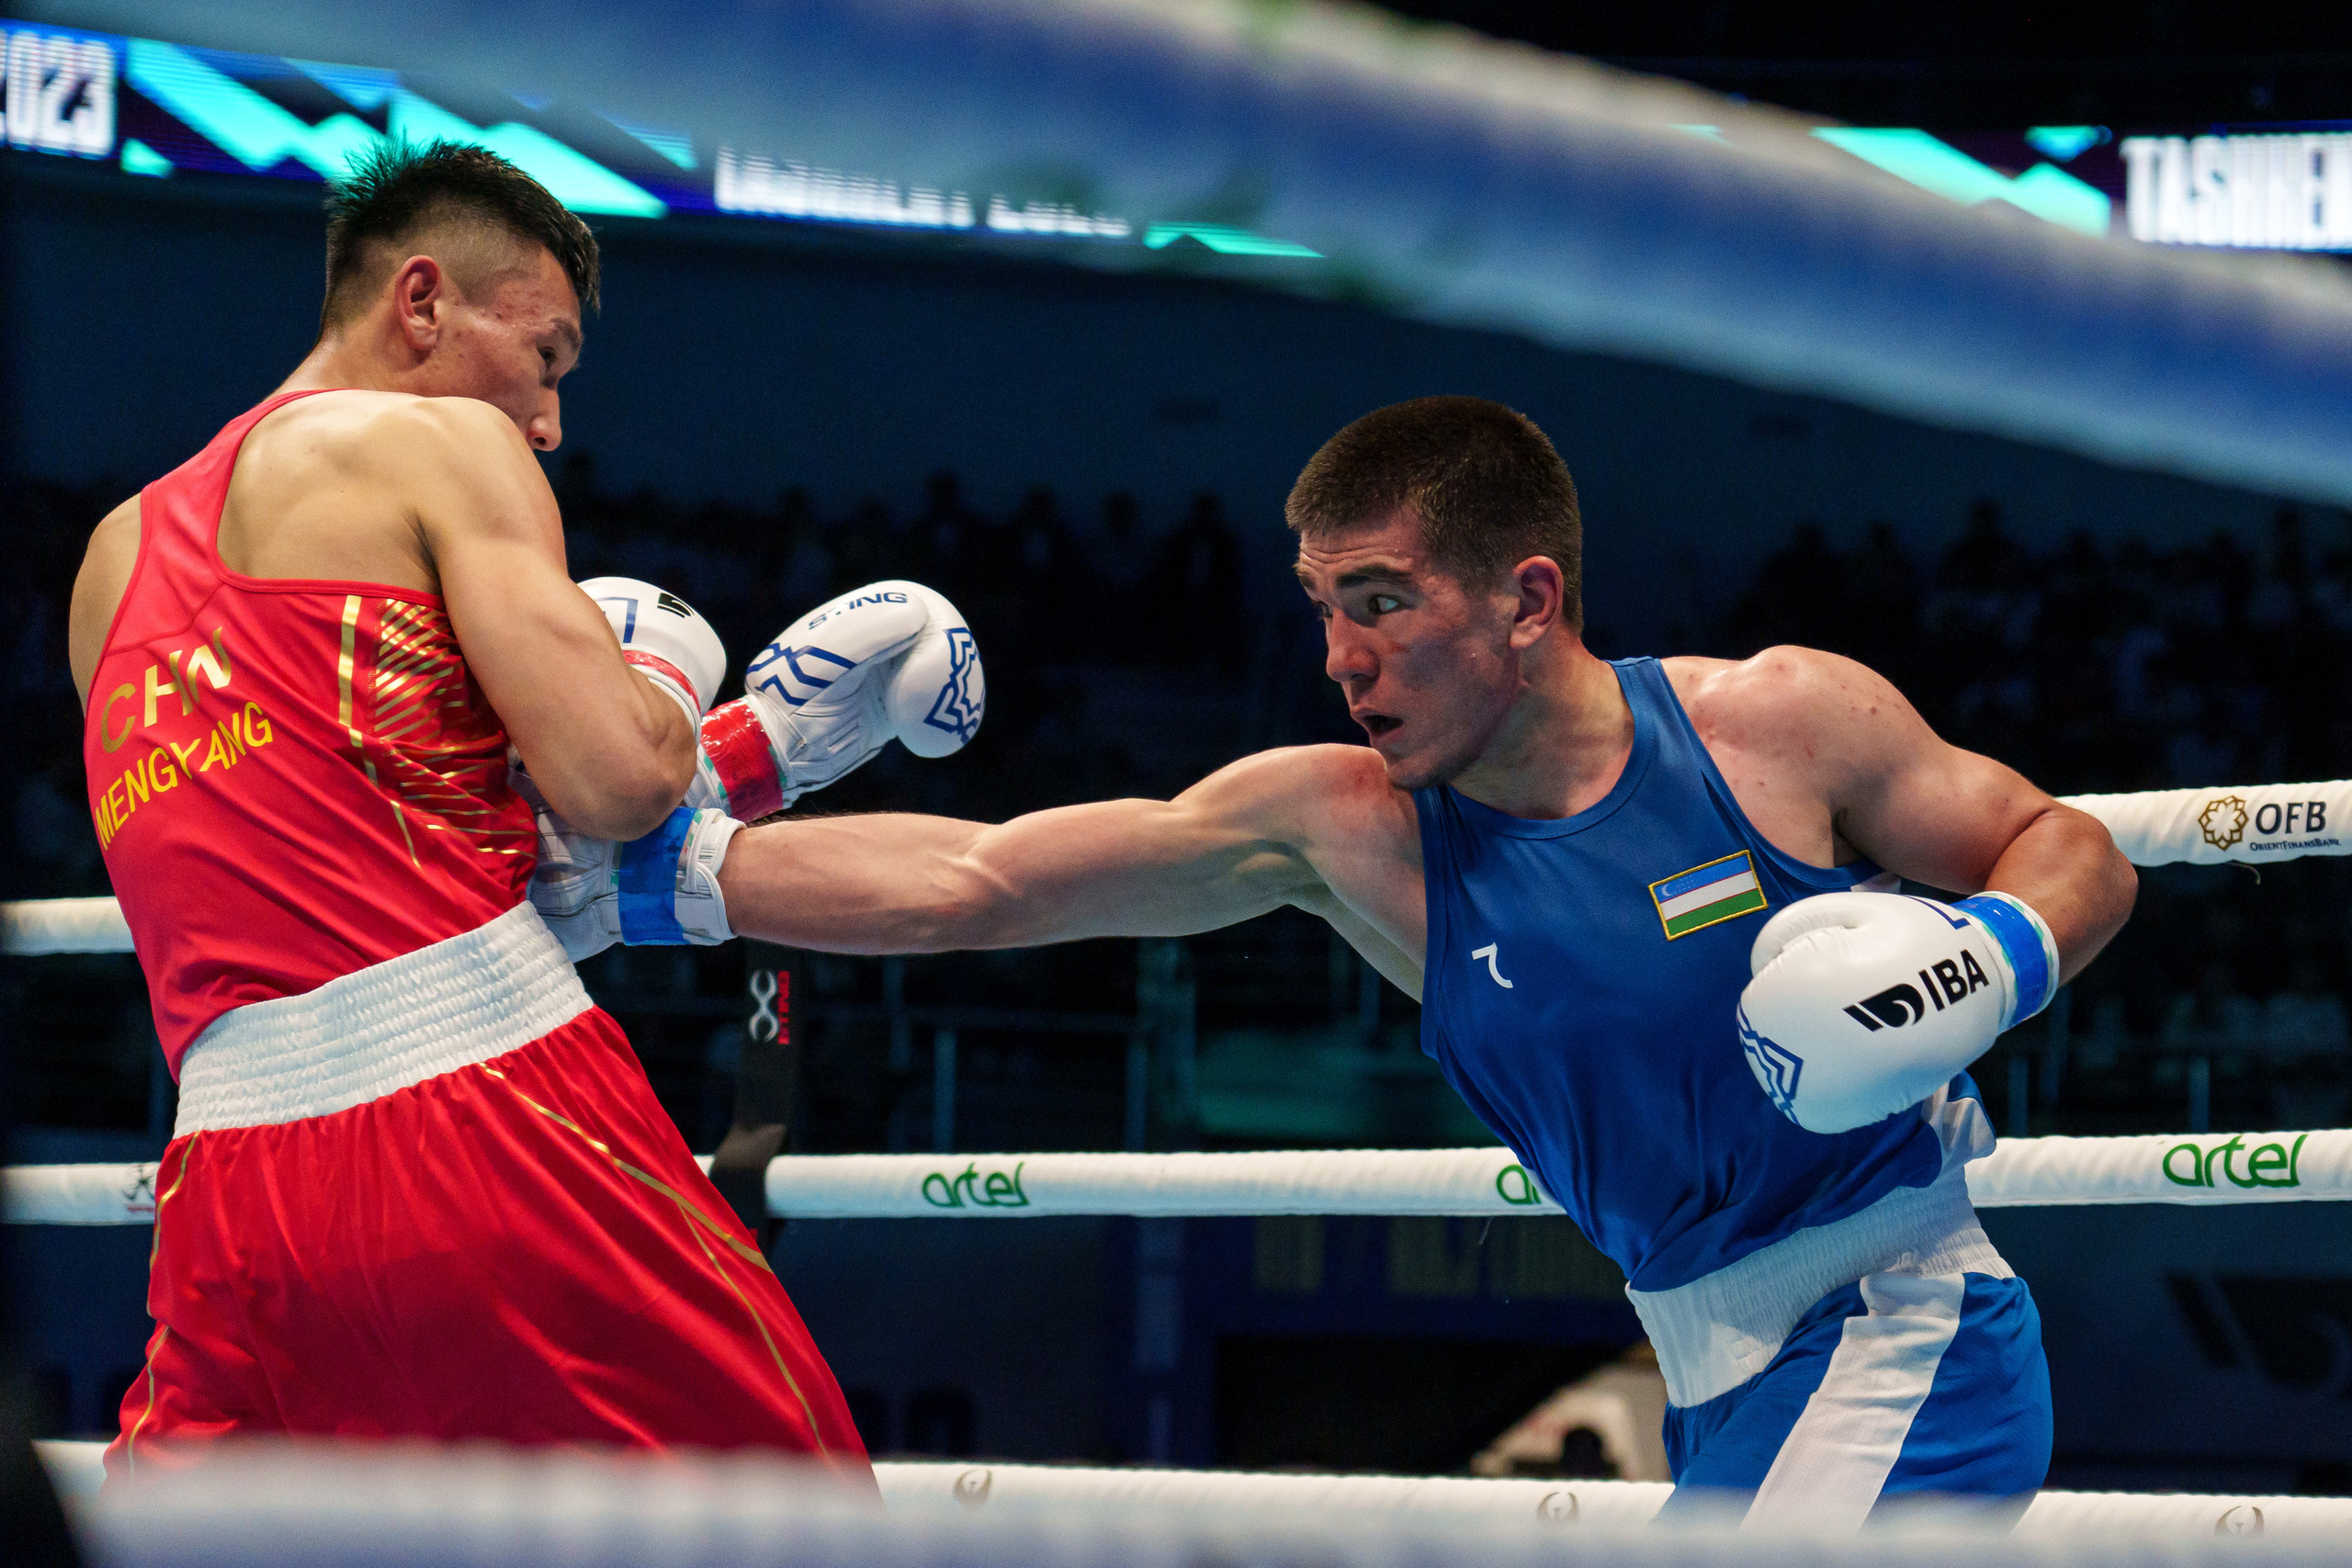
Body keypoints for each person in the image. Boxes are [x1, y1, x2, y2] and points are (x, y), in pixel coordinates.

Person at [565, 396, 2137, 1527]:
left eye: (1383, 603)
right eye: (1325, 608)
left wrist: (1978, 963)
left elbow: (2071, 848)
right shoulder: (1348, 828)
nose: (1341, 656)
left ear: (1529, 601)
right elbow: (984, 882)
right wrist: (669, 874)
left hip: (1900, 1326)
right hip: (1718, 1373)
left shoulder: (1780, 725)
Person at [64, 141, 944, 1475]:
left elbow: (301, 852)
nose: (548, 421)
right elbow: (618, 780)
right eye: (544, 358)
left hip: (224, 1190)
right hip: (479, 1115)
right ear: (423, 303)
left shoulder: (108, 563)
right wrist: (655, 673)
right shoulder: (441, 443)